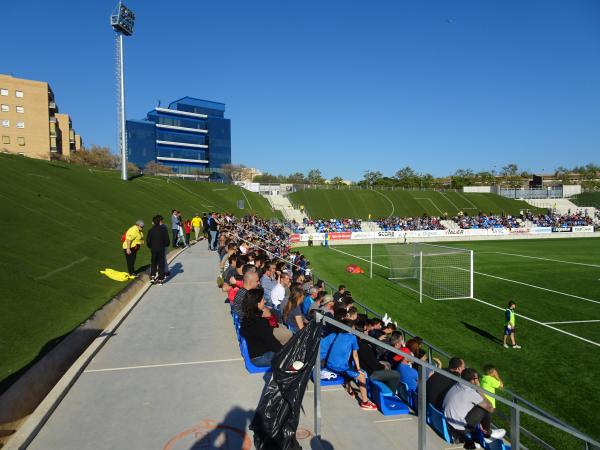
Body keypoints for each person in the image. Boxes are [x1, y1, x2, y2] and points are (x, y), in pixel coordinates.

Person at [322, 318, 378, 411]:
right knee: (362, 376)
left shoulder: (337, 334)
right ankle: (365, 402)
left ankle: (350, 391)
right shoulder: (352, 338)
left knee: (349, 369)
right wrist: (359, 369)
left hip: (329, 364)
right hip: (338, 367)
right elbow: (355, 355)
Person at [443, 368, 506, 447]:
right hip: (457, 431)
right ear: (473, 381)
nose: (478, 380)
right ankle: (488, 434)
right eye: (477, 378)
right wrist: (479, 389)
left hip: (447, 423)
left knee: (479, 405)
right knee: (484, 408)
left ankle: (485, 432)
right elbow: (490, 408)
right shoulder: (470, 392)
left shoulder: (457, 384)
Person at [354, 317, 401, 393]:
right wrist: (382, 366)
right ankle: (389, 394)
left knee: (387, 365)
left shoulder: (357, 341)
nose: (367, 332)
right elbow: (373, 364)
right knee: (396, 374)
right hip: (370, 372)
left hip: (366, 368)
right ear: (361, 332)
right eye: (366, 330)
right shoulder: (363, 345)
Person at [239, 288, 282, 367]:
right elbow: (272, 344)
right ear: (257, 304)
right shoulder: (260, 322)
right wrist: (286, 351)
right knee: (289, 358)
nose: (265, 302)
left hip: (254, 355)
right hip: (261, 358)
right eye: (263, 300)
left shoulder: (246, 317)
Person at [146, 215, 170, 284]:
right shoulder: (163, 229)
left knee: (153, 262)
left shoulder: (150, 230)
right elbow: (167, 241)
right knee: (161, 264)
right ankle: (160, 279)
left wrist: (151, 247)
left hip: (153, 249)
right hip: (161, 249)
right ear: (160, 221)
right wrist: (164, 245)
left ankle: (153, 276)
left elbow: (148, 241)